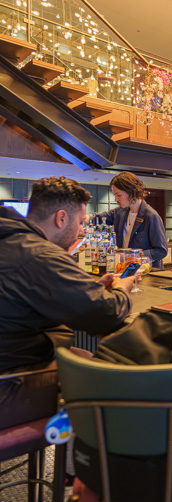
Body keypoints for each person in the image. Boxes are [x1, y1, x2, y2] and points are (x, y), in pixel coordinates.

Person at [0, 176, 134, 429]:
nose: (82, 231)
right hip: (8, 385)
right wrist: (122, 289)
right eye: (80, 222)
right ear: (61, 218)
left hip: (13, 358)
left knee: (83, 356)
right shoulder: (39, 254)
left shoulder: (11, 240)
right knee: (116, 380)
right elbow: (107, 313)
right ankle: (89, 451)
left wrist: (87, 289)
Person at [106, 172, 168, 269]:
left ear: (131, 193)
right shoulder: (120, 212)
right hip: (128, 270)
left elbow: (161, 251)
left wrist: (132, 256)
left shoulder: (151, 216)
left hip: (147, 272)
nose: (116, 199)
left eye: (118, 195)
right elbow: (98, 218)